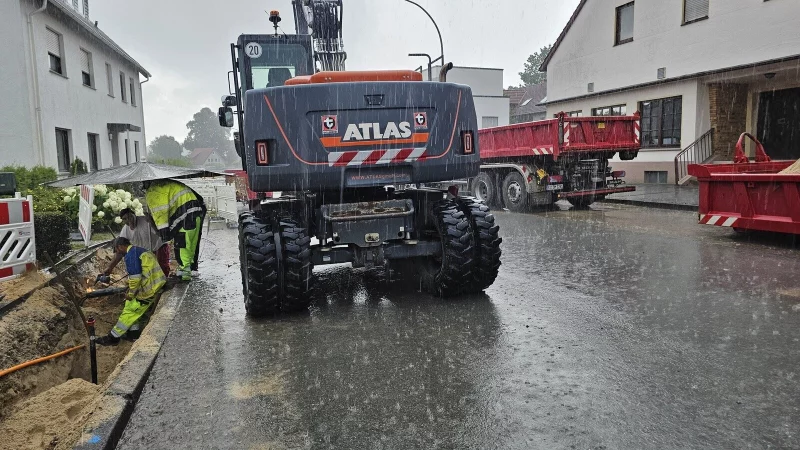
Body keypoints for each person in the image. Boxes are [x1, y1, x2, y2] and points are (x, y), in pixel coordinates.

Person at [96, 237, 166, 345]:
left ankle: (113, 338)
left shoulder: (131, 256)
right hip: (155, 283)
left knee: (130, 310)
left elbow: (135, 279)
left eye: (116, 250)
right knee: (130, 305)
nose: (117, 253)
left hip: (150, 289)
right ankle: (134, 333)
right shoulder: (138, 251)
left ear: (120, 246)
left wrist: (130, 294)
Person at [143, 179, 207, 282]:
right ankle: (190, 269)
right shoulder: (166, 184)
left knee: (182, 245)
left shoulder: (153, 191)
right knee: (190, 244)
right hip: (196, 211)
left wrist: (161, 231)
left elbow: (160, 215)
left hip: (185, 214)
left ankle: (184, 275)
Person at [99, 208, 170, 279]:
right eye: (125, 219)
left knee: (161, 270)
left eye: (130, 217)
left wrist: (152, 223)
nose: (128, 220)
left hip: (158, 247)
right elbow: (120, 251)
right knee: (148, 274)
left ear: (134, 215)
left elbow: (160, 234)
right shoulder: (125, 230)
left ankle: (165, 285)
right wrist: (110, 267)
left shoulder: (146, 221)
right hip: (145, 253)